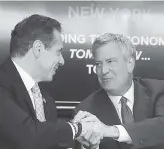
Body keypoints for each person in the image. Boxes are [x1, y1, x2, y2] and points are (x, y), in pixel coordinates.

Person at [0, 14, 101, 149]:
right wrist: (77, 128)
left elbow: (48, 141)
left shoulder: (47, 101)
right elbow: (28, 135)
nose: (62, 61)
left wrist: (85, 143)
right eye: (58, 52)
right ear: (38, 49)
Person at [74, 33, 164, 149]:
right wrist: (90, 145)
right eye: (98, 64)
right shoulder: (86, 110)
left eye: (110, 61)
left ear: (130, 64)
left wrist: (108, 131)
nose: (103, 71)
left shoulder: (157, 90)